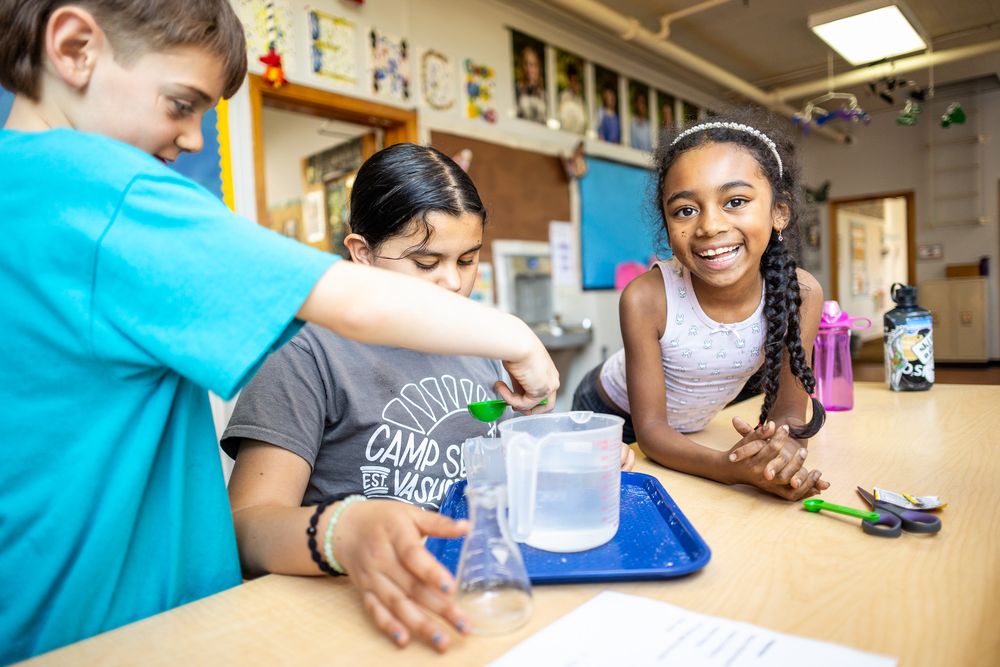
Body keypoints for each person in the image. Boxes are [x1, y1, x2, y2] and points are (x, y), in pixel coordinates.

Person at [0, 1, 557, 662]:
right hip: (121, 629)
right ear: (73, 47)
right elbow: (344, 299)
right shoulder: (107, 193)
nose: (195, 139)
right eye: (182, 103)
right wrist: (517, 336)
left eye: (467, 262)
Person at [222, 143, 636, 651]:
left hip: (475, 590)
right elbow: (245, 529)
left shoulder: (482, 340)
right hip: (358, 607)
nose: (454, 282)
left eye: (468, 259)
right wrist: (342, 531)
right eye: (425, 262)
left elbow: (488, 460)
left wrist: (564, 460)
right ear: (361, 253)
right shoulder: (304, 354)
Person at [573, 108, 830, 501]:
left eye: (735, 201)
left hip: (692, 429)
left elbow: (789, 415)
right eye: (686, 210)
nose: (709, 226)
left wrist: (781, 460)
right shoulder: (646, 298)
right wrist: (730, 469)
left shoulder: (801, 294)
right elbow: (653, 433)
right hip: (615, 418)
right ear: (666, 223)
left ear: (779, 212)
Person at [514, 44, 546, 124]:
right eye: (526, 64)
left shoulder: (543, 94)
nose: (529, 68)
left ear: (537, 68)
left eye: (532, 65)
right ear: (522, 67)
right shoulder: (516, 90)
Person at [557, 61, 586, 134]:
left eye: (578, 81)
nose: (576, 84)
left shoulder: (580, 101)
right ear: (569, 81)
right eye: (574, 80)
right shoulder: (563, 97)